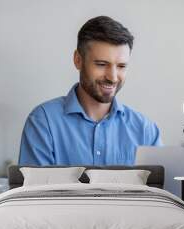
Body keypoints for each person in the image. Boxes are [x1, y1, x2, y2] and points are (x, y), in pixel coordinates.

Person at [19, 16, 162, 166]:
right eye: (101, 64)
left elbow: (160, 188)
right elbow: (36, 189)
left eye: (121, 66)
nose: (112, 77)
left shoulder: (145, 131)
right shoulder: (43, 122)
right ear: (78, 60)